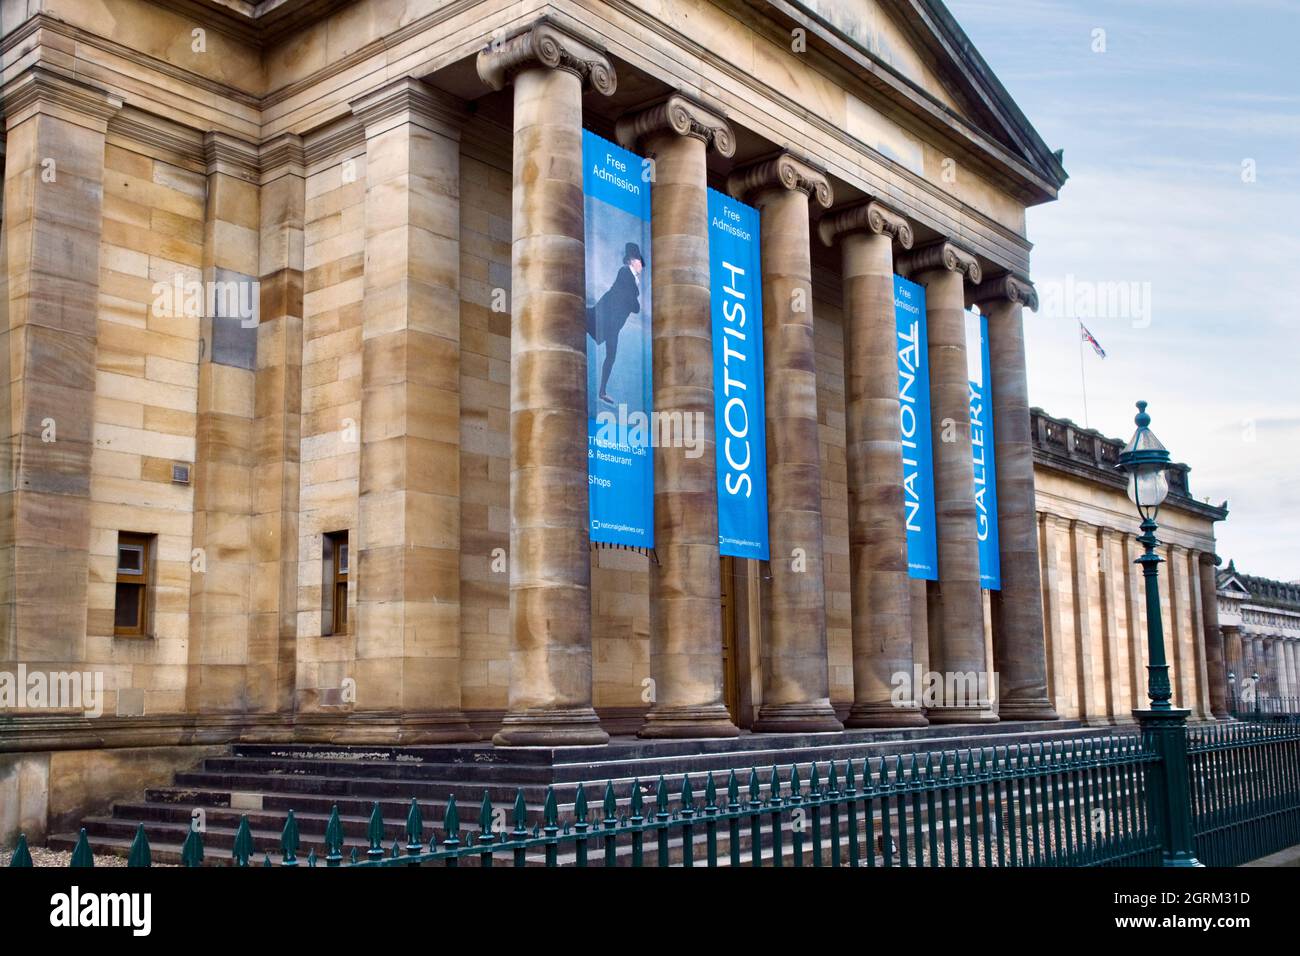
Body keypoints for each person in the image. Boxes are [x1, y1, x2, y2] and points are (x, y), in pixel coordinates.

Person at [586, 242, 643, 406]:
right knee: (584, 319)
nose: (641, 265)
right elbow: (634, 305)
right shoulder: (625, 273)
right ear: (632, 260)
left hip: (613, 324)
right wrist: (635, 299)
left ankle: (602, 392)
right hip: (605, 317)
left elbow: (633, 305)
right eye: (639, 261)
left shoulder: (632, 279)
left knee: (611, 356)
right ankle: (602, 391)